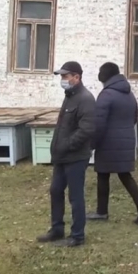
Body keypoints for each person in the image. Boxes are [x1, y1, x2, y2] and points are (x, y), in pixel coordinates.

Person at [36, 61, 96, 247]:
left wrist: (66, 145)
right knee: (55, 190)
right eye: (61, 76)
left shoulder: (86, 99)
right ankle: (57, 229)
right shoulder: (70, 96)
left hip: (76, 157)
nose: (62, 79)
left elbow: (86, 129)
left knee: (75, 196)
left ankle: (77, 236)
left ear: (76, 77)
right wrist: (58, 147)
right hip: (62, 156)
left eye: (65, 76)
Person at [86, 62, 138, 225]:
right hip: (126, 141)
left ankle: (102, 212)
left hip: (108, 143)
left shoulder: (106, 95)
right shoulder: (129, 94)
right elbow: (134, 118)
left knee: (103, 174)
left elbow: (99, 124)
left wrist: (92, 143)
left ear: (105, 75)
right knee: (125, 175)